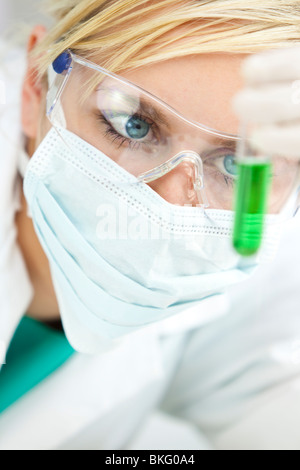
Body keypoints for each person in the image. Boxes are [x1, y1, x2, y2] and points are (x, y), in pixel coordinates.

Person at [0, 0, 300, 450]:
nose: (170, 206)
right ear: (34, 87)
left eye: (236, 163)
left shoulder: (251, 271)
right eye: (133, 125)